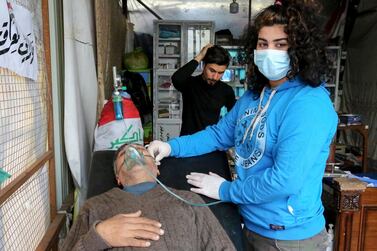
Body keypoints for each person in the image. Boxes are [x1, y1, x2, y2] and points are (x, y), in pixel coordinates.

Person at [147, 0, 338, 250]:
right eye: (263, 44)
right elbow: (218, 135)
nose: (269, 52)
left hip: (289, 237)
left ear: (300, 49)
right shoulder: (254, 96)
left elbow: (284, 181)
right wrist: (171, 147)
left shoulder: (308, 103)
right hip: (250, 226)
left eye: (280, 45)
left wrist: (226, 190)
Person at [61, 143, 235, 251]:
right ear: (118, 178)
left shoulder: (188, 200)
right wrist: (99, 236)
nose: (132, 154)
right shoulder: (95, 206)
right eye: (124, 155)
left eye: (141, 151)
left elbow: (222, 246)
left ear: (156, 168)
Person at [171, 43, 236, 136]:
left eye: (220, 73)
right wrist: (200, 56)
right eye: (212, 71)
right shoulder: (190, 84)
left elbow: (234, 117)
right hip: (188, 144)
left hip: (211, 143)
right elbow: (176, 78)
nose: (215, 77)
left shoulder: (226, 91)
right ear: (204, 65)